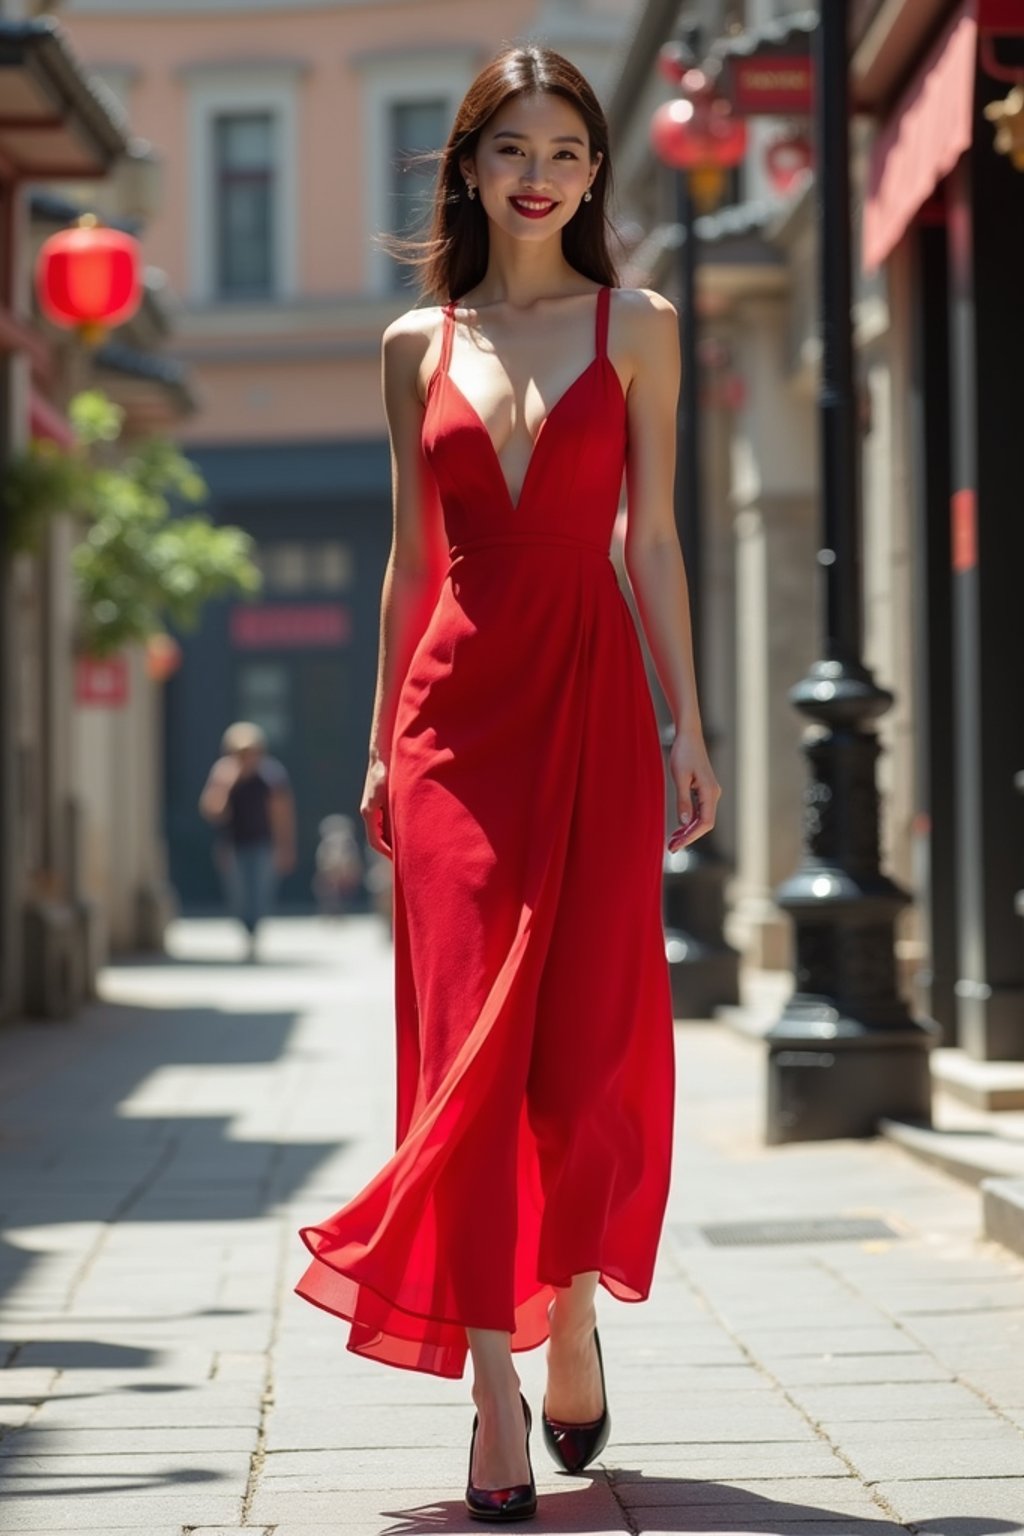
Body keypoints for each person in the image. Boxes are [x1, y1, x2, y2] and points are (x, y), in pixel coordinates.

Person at [295, 45, 720, 1523]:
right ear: (468, 167)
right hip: (454, 729)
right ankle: (492, 1389)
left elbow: (653, 541)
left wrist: (692, 722)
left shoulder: (643, 324)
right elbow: (415, 561)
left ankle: (577, 1312)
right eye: (511, 149)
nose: (540, 174)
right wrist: (371, 742)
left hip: (598, 706)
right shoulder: (417, 341)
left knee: (583, 1051)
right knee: (464, 1053)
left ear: (597, 174)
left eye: (567, 151)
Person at [199, 722, 296, 958]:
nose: (247, 758)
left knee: (260, 892)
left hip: (264, 843)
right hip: (233, 844)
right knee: (238, 894)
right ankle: (246, 929)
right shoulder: (223, 773)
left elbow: (282, 813)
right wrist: (229, 783)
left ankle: (254, 933)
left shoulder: (271, 775)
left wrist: (285, 847)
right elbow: (212, 810)